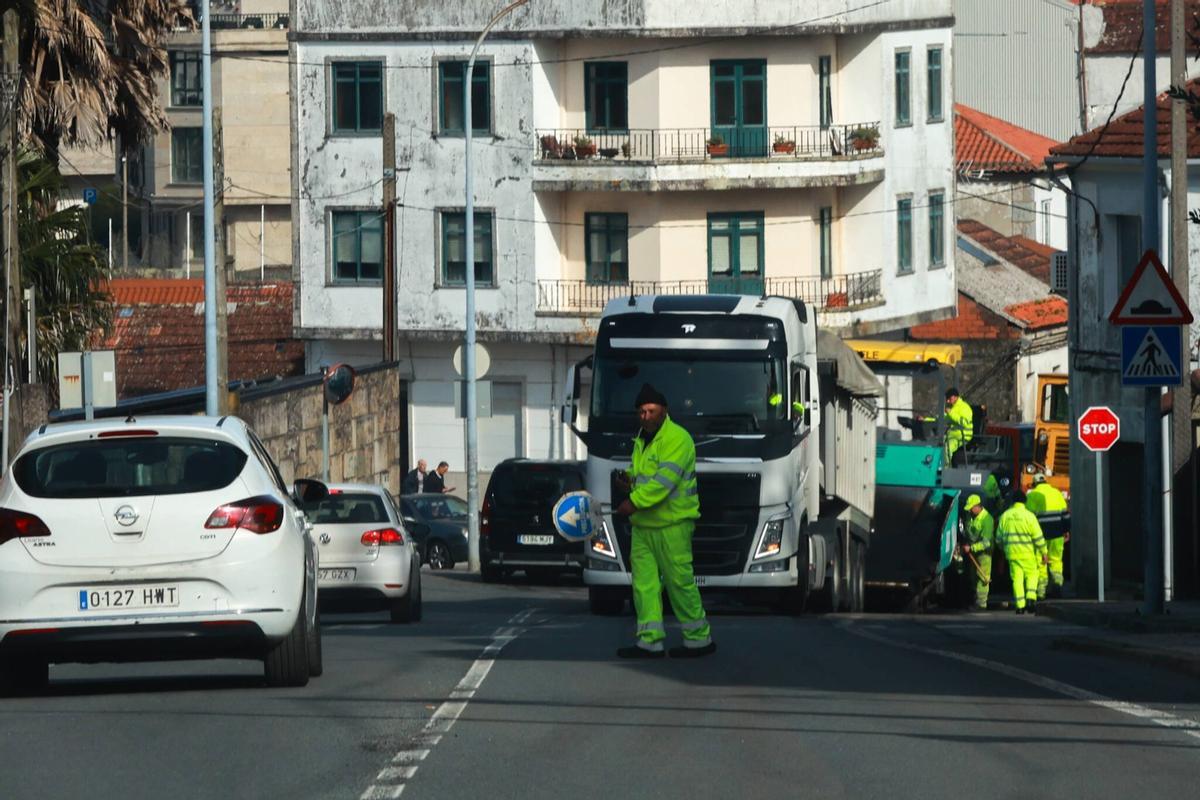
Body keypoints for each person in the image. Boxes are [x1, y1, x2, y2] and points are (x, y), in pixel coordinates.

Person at [614, 383, 714, 659]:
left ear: (664, 411)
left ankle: (698, 639)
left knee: (679, 582)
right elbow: (644, 474)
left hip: (673, 524)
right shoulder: (642, 439)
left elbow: (663, 483)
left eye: (650, 410)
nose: (645, 416)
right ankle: (649, 640)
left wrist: (632, 501)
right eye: (641, 412)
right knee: (644, 585)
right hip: (644, 526)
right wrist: (628, 478)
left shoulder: (677, 439)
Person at [995, 490, 1048, 615]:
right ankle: (1030, 599)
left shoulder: (1005, 516)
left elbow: (998, 538)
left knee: (1017, 579)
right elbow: (1038, 537)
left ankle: (1020, 606)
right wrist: (1044, 552)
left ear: (1013, 501)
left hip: (1012, 554)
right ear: (1025, 501)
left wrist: (1004, 549)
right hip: (1028, 553)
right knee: (1032, 575)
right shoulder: (1029, 516)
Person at [1026, 474, 1069, 597]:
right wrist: (1066, 530)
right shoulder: (1056, 493)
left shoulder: (1032, 495)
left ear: (1034, 484)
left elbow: (1030, 517)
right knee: (1056, 560)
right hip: (1057, 532)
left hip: (1041, 534)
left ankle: (1041, 592)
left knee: (1041, 562)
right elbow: (1065, 514)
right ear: (1046, 482)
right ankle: (1057, 584)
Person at [961, 494, 995, 611]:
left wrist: (971, 548)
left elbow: (986, 543)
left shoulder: (987, 519)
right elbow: (967, 531)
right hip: (972, 551)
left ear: (977, 506)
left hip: (984, 554)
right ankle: (974, 600)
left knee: (982, 578)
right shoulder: (970, 516)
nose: (970, 510)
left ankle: (981, 604)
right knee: (973, 577)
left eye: (971, 508)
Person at [944, 387, 974, 466]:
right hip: (952, 434)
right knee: (937, 444)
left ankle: (946, 469)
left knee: (947, 448)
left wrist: (951, 413)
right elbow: (942, 418)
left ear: (955, 397)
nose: (948, 401)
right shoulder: (954, 408)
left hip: (962, 435)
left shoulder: (965, 408)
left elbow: (964, 422)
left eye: (949, 398)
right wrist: (926, 419)